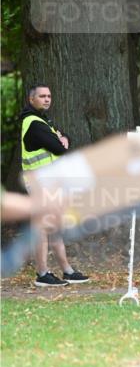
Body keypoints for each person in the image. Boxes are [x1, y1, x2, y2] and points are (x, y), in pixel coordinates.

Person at [19, 84, 89, 287]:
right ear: (31, 99)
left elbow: (65, 137)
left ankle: (67, 271)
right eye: (42, 96)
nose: (47, 99)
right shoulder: (33, 123)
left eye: (49, 96)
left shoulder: (44, 121)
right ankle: (42, 274)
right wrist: (61, 141)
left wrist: (62, 138)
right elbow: (59, 148)